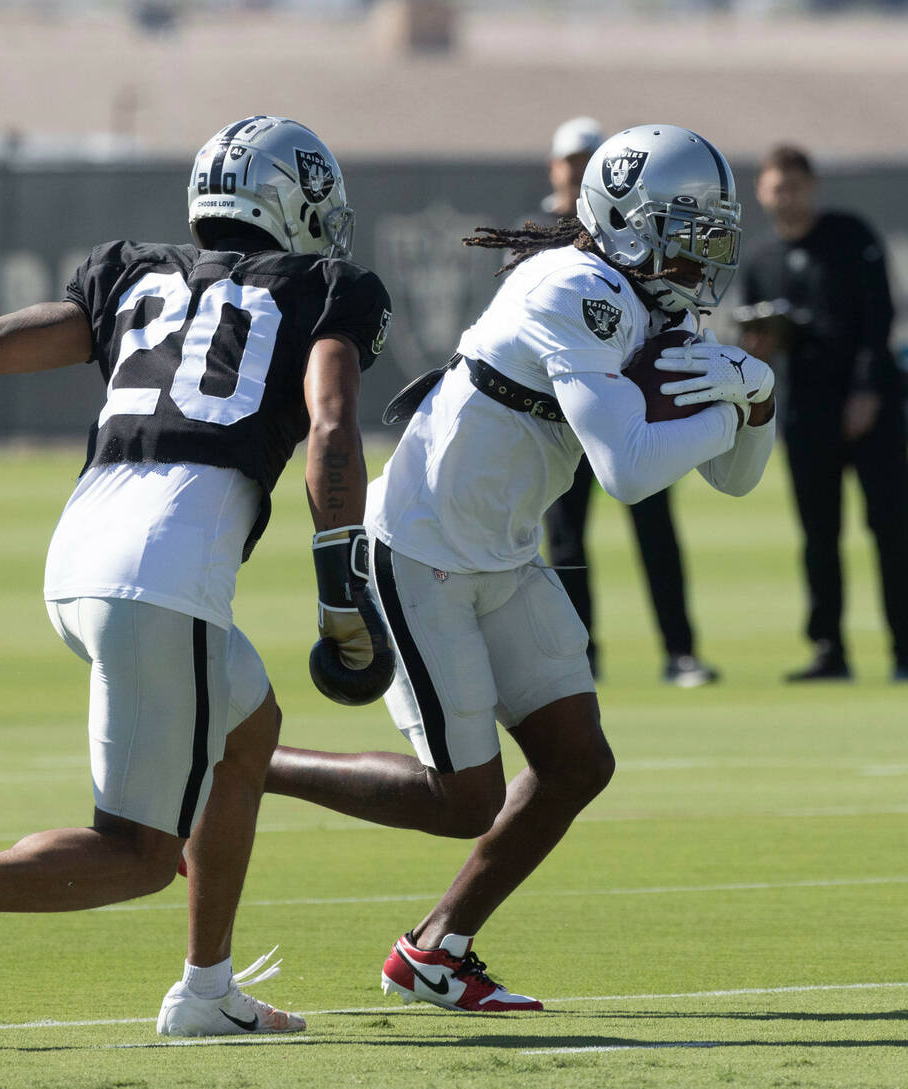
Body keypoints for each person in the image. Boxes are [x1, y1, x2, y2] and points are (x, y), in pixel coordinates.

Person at [0, 115, 395, 1037]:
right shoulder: (327, 288)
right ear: (293, 206)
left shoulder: (134, 270)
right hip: (164, 572)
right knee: (138, 854)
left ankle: (207, 987)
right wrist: (344, 588)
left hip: (80, 553)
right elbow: (335, 432)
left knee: (250, 726)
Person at [266, 124, 776, 1012]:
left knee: (578, 762)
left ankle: (435, 950)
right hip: (422, 549)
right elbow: (624, 468)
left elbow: (735, 479)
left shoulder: (649, 301)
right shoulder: (574, 286)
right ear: (625, 222)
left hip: (497, 554)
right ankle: (246, 762)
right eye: (687, 230)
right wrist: (738, 396)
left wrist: (757, 399)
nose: (704, 256)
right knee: (463, 798)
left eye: (712, 233)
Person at [532, 117, 719, 686]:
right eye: (571, 157)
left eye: (588, 157)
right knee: (565, 537)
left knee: (655, 524)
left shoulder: (633, 228)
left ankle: (680, 651)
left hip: (634, 399)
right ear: (555, 166)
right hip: (567, 412)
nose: (576, 166)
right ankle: (580, 655)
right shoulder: (541, 237)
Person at [739, 145, 908, 682]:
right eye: (775, 189)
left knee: (892, 527)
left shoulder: (849, 236)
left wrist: (866, 389)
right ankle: (830, 650)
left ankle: (905, 649)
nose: (786, 199)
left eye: (794, 186)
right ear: (763, 193)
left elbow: (879, 313)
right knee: (818, 535)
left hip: (870, 406)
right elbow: (756, 340)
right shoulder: (762, 259)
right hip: (806, 412)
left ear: (812, 186)